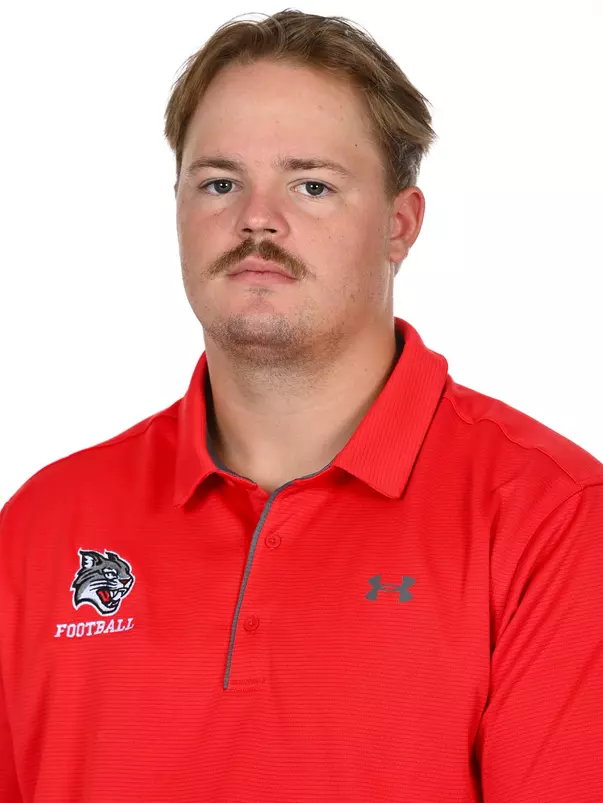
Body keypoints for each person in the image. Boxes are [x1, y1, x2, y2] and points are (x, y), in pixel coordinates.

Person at [1, 9, 601, 802]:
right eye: (219, 183)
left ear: (399, 225)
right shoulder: (42, 524)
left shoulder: (551, 518)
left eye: (311, 185)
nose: (256, 217)